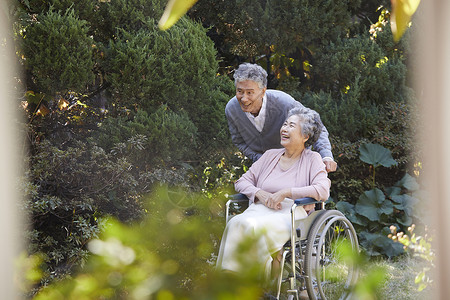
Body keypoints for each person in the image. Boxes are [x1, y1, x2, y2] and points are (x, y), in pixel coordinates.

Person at [216, 106, 331, 279]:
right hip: (260, 208)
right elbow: (242, 182)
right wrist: (259, 193)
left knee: (254, 228)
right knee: (237, 223)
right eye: (285, 124)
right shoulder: (270, 155)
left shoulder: (312, 159)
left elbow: (323, 190)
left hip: (291, 214)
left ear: (305, 136)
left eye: (291, 126)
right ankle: (231, 277)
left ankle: (255, 281)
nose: (284, 129)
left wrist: (286, 192)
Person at [225, 62, 338, 172]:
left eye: (250, 93)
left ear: (263, 91)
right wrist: (260, 159)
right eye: (240, 91)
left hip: (297, 165)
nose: (244, 98)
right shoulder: (232, 109)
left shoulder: (284, 103)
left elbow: (317, 127)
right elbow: (239, 141)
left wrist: (326, 155)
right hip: (264, 169)